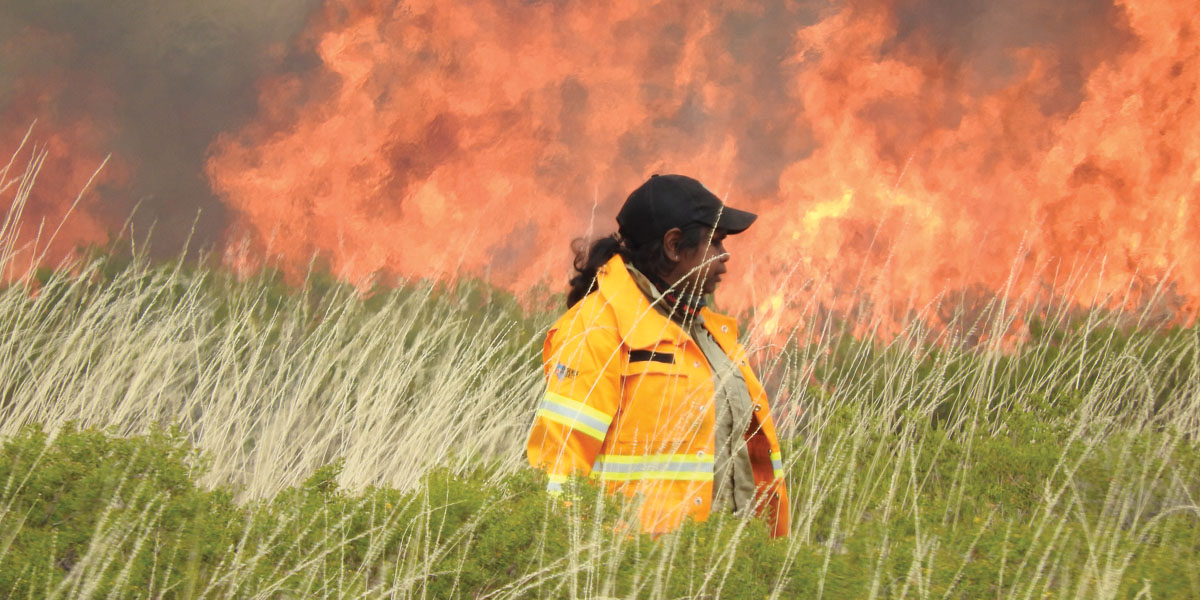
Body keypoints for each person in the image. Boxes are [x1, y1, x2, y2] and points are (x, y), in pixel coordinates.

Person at [526, 174, 789, 537]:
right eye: (714, 243)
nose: (724, 259)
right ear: (674, 245)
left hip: (725, 565)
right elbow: (559, 468)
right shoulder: (597, 330)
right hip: (636, 573)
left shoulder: (709, 332)